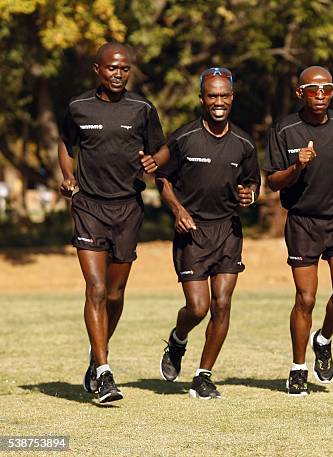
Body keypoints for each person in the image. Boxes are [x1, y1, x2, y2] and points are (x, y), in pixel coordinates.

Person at [58, 43, 168, 403]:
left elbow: (161, 151)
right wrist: (68, 176)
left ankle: (96, 353)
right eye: (112, 69)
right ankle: (104, 373)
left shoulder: (142, 108)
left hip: (127, 210)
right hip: (89, 207)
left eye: (124, 69)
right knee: (96, 288)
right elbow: (65, 143)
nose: (118, 74)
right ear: (97, 70)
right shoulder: (77, 106)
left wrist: (155, 164)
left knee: (116, 294)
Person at [156, 67, 260, 400]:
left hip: (228, 231)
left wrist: (251, 194)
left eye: (224, 96)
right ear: (202, 98)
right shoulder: (183, 137)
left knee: (223, 304)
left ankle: (203, 375)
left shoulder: (243, 142)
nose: (219, 102)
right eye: (212, 95)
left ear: (232, 98)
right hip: (193, 232)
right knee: (198, 307)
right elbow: (162, 178)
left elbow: (252, 182)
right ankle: (178, 339)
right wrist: (178, 210)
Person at [264, 66, 333, 396]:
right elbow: (271, 181)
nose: (320, 95)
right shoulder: (285, 129)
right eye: (313, 89)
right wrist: (298, 166)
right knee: (305, 298)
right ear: (301, 93)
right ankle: (297, 369)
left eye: (327, 89)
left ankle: (323, 339)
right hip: (302, 222)